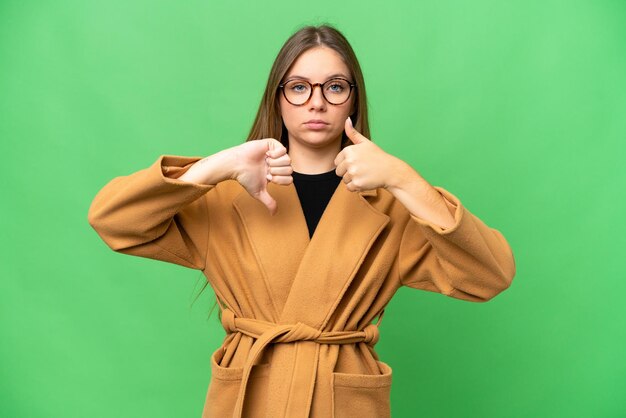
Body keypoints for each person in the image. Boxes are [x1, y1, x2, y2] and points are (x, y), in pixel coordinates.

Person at [88, 24, 516, 418]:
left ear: (354, 98)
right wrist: (220, 165)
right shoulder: (225, 196)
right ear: (277, 97)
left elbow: (490, 274)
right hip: (252, 396)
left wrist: (404, 179)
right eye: (298, 87)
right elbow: (113, 220)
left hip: (343, 399)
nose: (316, 101)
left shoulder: (393, 206)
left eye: (334, 87)